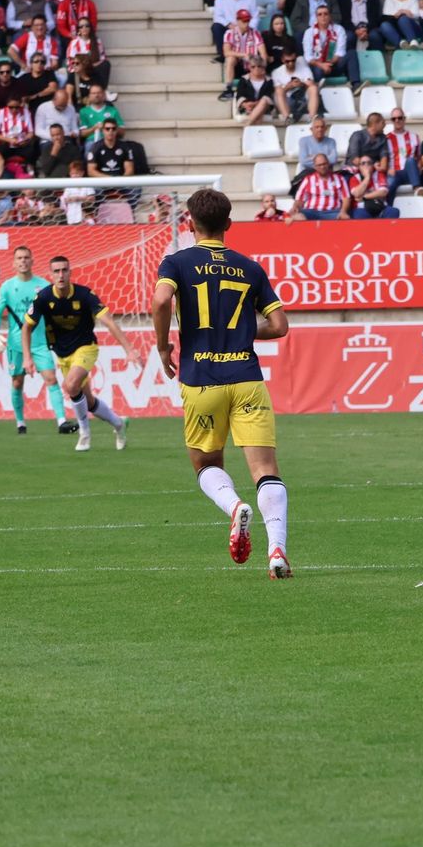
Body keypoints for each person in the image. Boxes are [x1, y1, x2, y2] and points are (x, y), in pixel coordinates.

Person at [150, 187, 291, 579]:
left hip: (202, 379)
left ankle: (234, 508)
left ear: (189, 223)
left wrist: (163, 347)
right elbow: (279, 326)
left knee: (206, 463)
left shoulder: (176, 262)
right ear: (229, 224)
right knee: (265, 468)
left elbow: (161, 302)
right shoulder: (249, 267)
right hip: (247, 377)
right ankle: (277, 549)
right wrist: (244, 329)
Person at [21, 255, 133, 453]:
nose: (61, 275)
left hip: (86, 348)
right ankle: (118, 424)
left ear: (70, 272)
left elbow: (108, 321)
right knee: (87, 401)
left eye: (64, 270)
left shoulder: (85, 295)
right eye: (56, 271)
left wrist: (129, 349)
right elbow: (26, 327)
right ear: (51, 274)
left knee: (71, 385)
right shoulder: (43, 298)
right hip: (62, 354)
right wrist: (27, 358)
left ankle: (84, 433)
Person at [0, 245, 77, 436]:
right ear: (14, 263)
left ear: (32, 261)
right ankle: (20, 423)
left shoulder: (44, 285)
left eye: (26, 257)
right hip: (16, 344)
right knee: (17, 383)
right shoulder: (7, 287)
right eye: (19, 258)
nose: (23, 261)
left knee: (51, 378)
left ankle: (62, 421)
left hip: (40, 343)